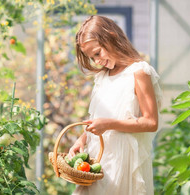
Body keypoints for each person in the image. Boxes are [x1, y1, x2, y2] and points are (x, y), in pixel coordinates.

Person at [68, 15, 162, 195]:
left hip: (123, 160)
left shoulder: (138, 72)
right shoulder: (102, 77)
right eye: (91, 57)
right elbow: (96, 119)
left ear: (112, 37)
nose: (97, 61)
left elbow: (151, 122)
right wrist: (82, 139)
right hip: (97, 160)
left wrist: (109, 124)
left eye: (97, 53)